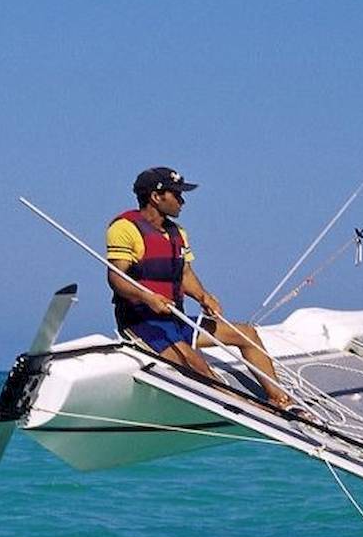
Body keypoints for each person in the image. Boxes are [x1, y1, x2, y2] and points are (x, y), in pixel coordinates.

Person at [106, 166, 297, 413]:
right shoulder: (124, 229)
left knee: (247, 334)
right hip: (143, 323)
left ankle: (280, 398)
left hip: (177, 318)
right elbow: (116, 279)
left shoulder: (178, 233)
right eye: (177, 194)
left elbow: (184, 274)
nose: (182, 201)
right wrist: (146, 297)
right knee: (197, 364)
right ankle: (248, 409)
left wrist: (203, 296)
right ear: (156, 196)